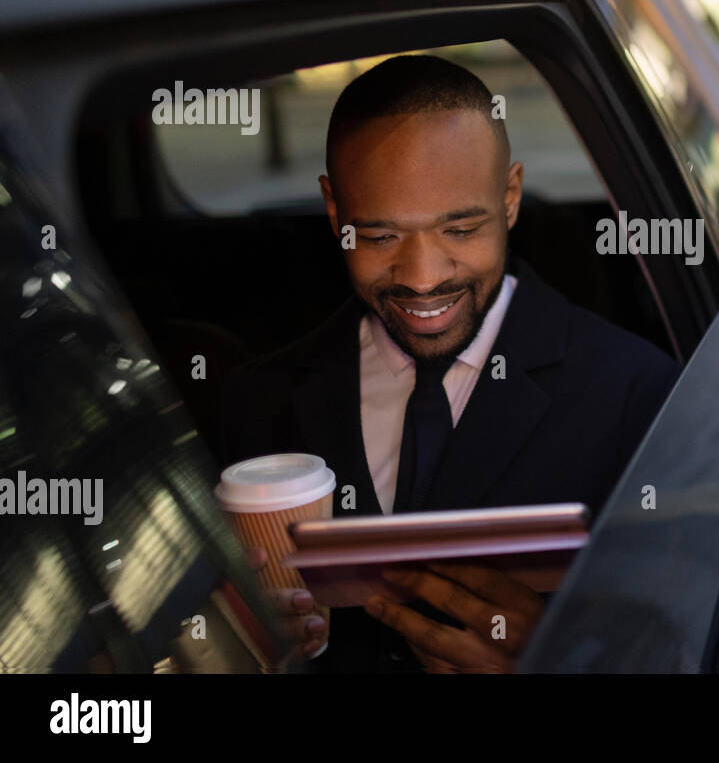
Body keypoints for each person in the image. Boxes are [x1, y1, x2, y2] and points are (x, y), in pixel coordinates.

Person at [221, 54, 680, 672]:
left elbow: (689, 640)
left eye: (460, 230)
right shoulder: (257, 402)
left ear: (510, 197)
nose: (422, 278)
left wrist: (563, 660)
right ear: (335, 214)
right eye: (381, 237)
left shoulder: (641, 397)